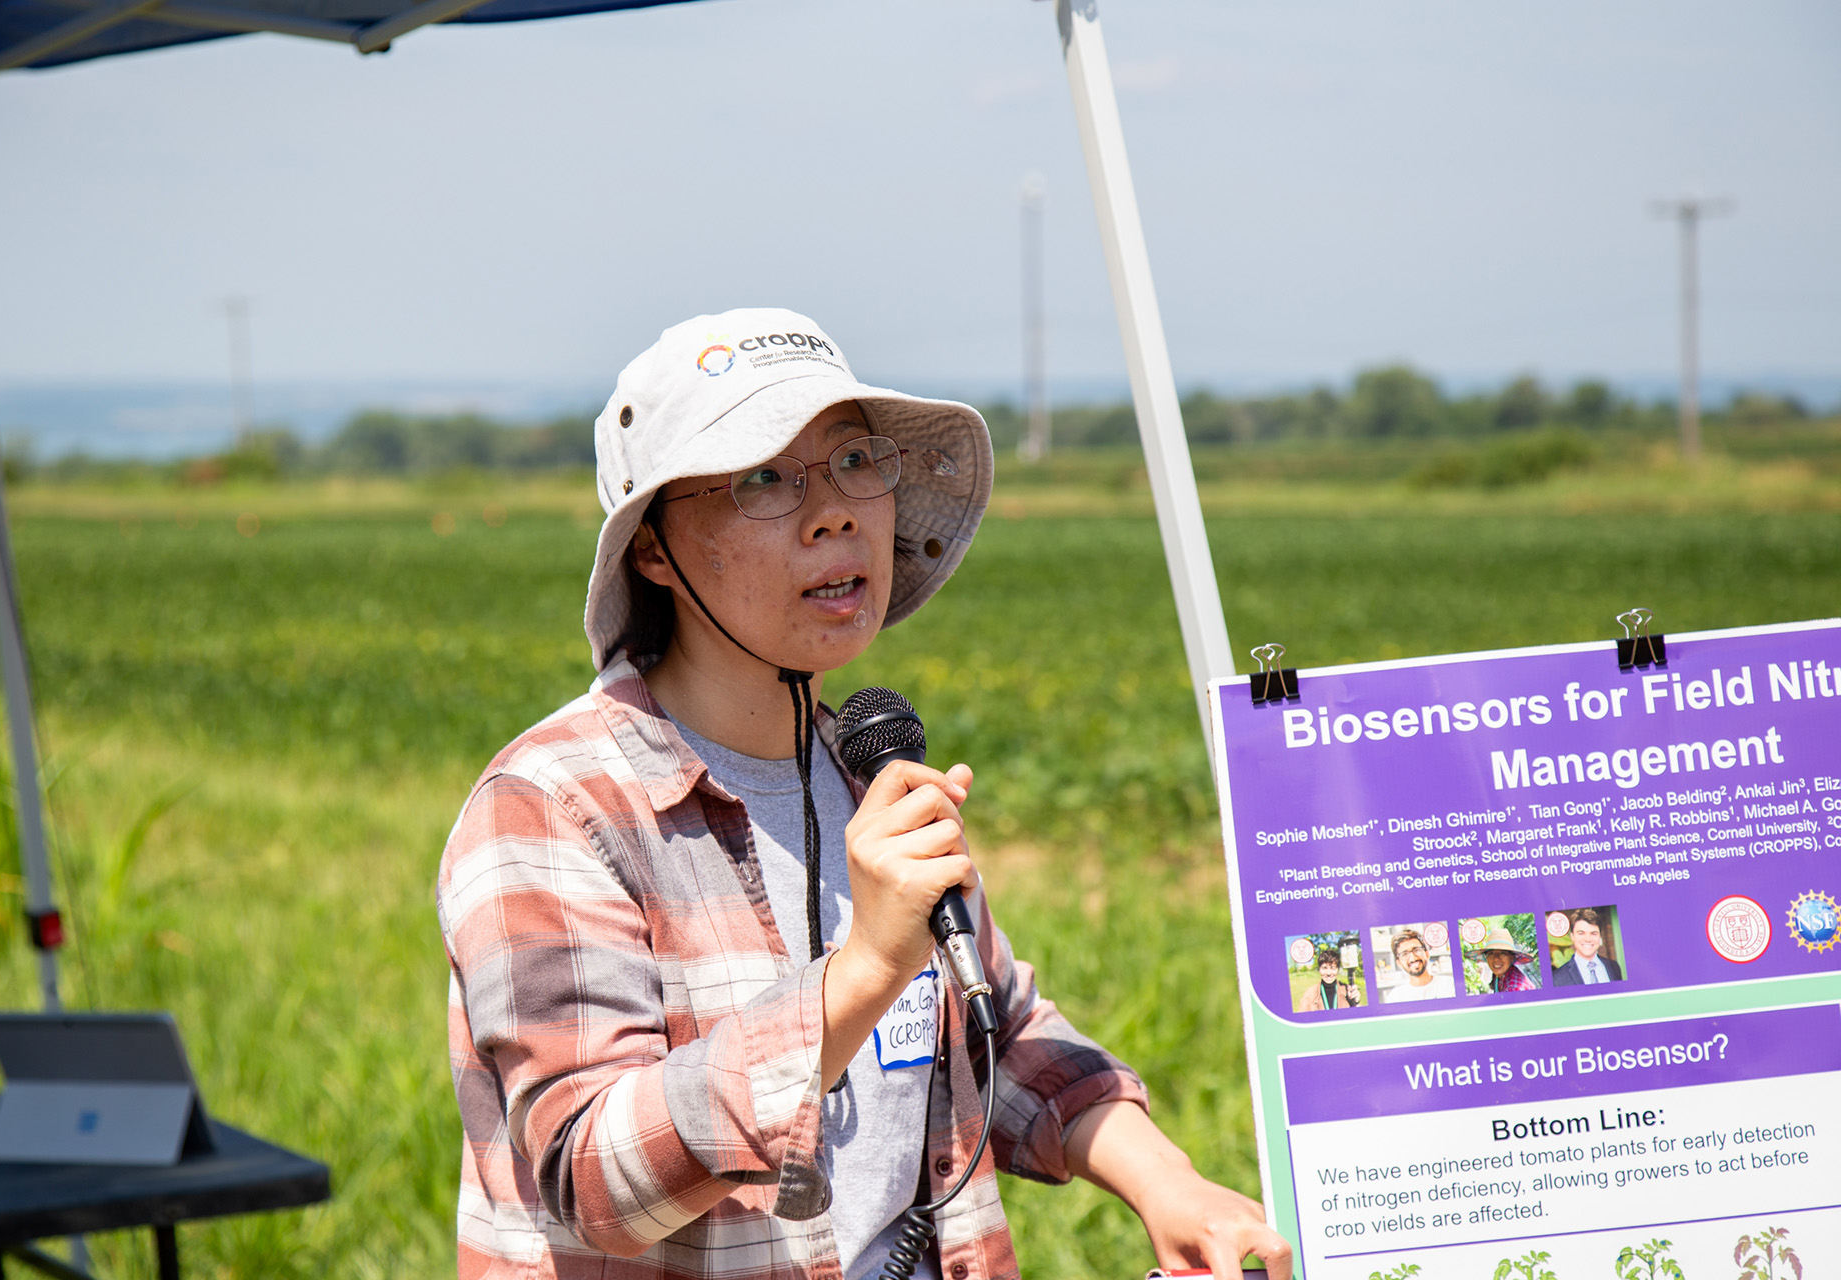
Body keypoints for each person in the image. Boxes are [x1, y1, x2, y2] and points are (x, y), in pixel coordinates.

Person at [437, 309, 1292, 1280]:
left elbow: (997, 1026)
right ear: (655, 551)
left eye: (852, 461)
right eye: (762, 476)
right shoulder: (555, 805)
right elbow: (591, 1175)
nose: (834, 511)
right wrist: (865, 966)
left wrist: (1167, 1181)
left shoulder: (863, 766)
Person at [1380, 927, 1456, 1004]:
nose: (1413, 958)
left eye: (1416, 950)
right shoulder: (1395, 997)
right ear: (1399, 963)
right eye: (1405, 954)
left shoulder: (1449, 985)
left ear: (1427, 954)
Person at [1552, 909, 1622, 986]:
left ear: (1599, 936)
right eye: (1581, 933)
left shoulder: (1614, 967)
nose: (1588, 939)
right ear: (1572, 936)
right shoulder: (1558, 978)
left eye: (1593, 933)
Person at [1469, 926, 1537, 993]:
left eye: (1503, 954)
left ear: (1512, 957)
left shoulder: (1514, 989)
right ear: (1486, 957)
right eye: (1491, 953)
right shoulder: (1501, 975)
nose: (1496, 959)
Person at [1295, 949, 1360, 1012]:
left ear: (1338, 970)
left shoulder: (1347, 990)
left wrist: (1356, 1003)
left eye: (1333, 968)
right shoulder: (1310, 994)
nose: (1329, 973)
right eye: (1324, 968)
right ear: (1319, 969)